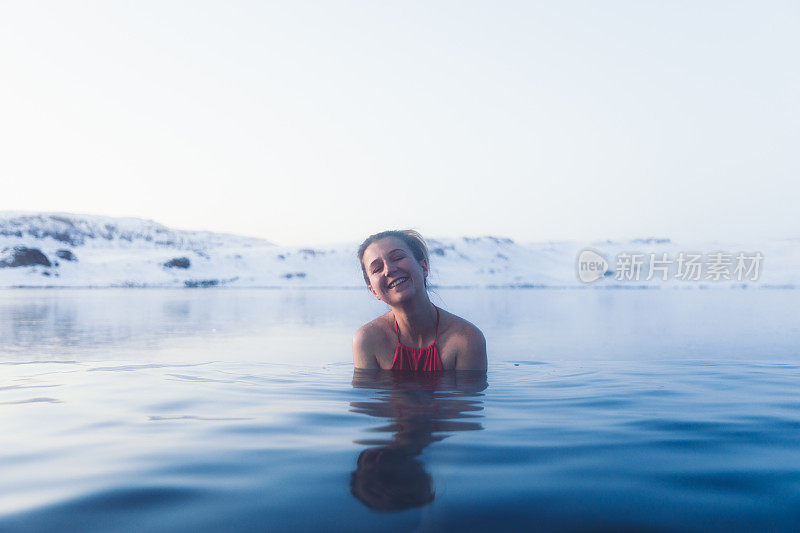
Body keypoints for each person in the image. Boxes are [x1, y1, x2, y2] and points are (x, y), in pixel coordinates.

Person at [353, 230, 487, 371]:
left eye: (398, 257)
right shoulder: (368, 339)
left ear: (424, 267)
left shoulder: (466, 339)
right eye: (377, 268)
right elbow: (367, 392)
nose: (389, 270)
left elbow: (470, 393)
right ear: (373, 291)